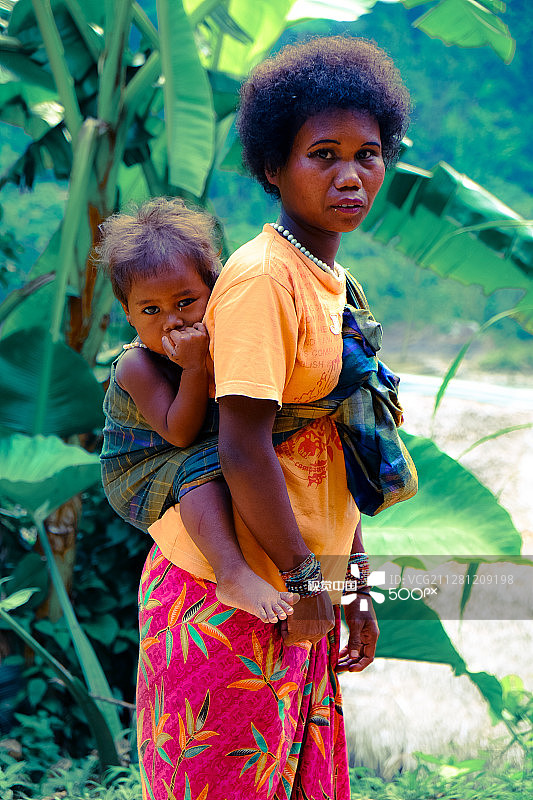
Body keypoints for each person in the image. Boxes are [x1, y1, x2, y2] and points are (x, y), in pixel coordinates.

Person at [136, 36, 411, 800]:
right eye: (323, 154)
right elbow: (243, 445)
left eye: (368, 153)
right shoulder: (263, 280)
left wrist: (351, 583)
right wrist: (307, 582)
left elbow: (332, 445)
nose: (351, 175)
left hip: (294, 587)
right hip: (230, 597)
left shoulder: (330, 278)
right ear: (271, 167)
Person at [98, 198, 297, 623]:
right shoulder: (136, 364)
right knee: (205, 464)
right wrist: (193, 366)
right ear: (128, 316)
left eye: (186, 301)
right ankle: (232, 574)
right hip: (141, 465)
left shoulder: (227, 334)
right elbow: (179, 433)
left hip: (191, 445)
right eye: (150, 310)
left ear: (216, 291)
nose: (170, 320)